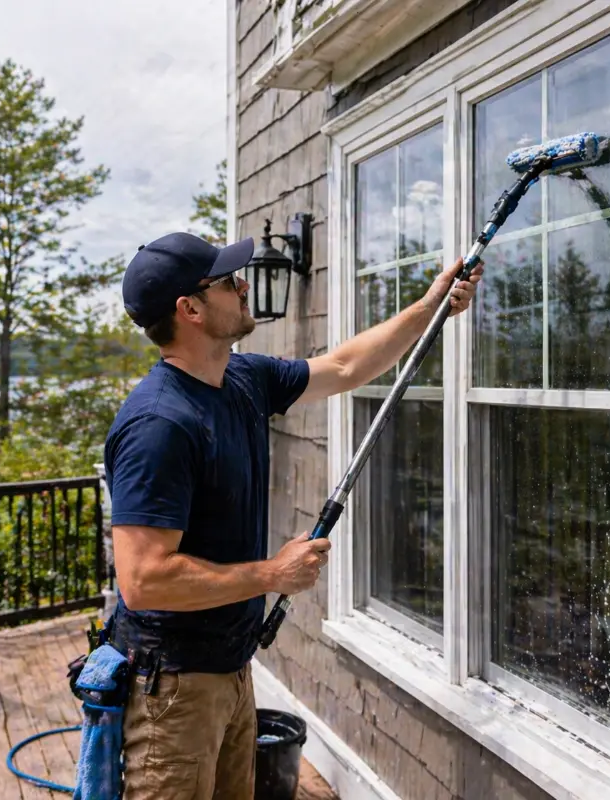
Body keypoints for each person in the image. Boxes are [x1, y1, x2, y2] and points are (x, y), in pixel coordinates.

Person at [103, 230, 483, 799]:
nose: (243, 284)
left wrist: (430, 307)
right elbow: (143, 580)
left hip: (231, 667)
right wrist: (271, 574)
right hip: (176, 689)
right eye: (227, 281)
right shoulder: (160, 425)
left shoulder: (243, 379)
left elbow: (348, 366)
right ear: (191, 310)